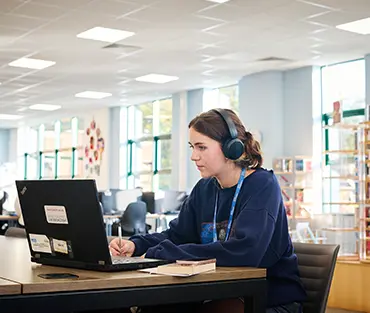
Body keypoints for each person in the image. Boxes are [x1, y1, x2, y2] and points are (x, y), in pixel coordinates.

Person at [109, 108, 307, 313]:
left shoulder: (262, 185)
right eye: (192, 147)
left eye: (202, 147)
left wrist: (166, 252)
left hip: (269, 299)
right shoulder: (204, 189)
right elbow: (178, 235)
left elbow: (246, 251)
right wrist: (136, 245)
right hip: (217, 293)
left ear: (232, 148)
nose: (194, 156)